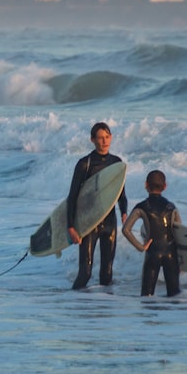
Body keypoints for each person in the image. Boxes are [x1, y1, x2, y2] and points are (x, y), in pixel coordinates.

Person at [67, 122, 127, 289]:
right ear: (92, 139)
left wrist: (124, 212)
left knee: (107, 274)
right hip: (89, 223)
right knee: (85, 273)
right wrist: (71, 227)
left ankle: (103, 308)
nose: (104, 141)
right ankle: (75, 306)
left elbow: (121, 193)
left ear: (111, 137)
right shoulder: (84, 164)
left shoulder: (117, 162)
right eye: (100, 138)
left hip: (109, 222)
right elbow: (72, 197)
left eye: (107, 137)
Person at [122, 169, 181, 297]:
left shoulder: (141, 206)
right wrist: (183, 259)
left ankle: (148, 316)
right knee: (175, 295)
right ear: (165, 186)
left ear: (146, 185)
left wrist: (141, 247)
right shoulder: (172, 207)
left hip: (152, 253)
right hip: (171, 254)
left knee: (147, 296)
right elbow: (180, 232)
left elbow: (126, 229)